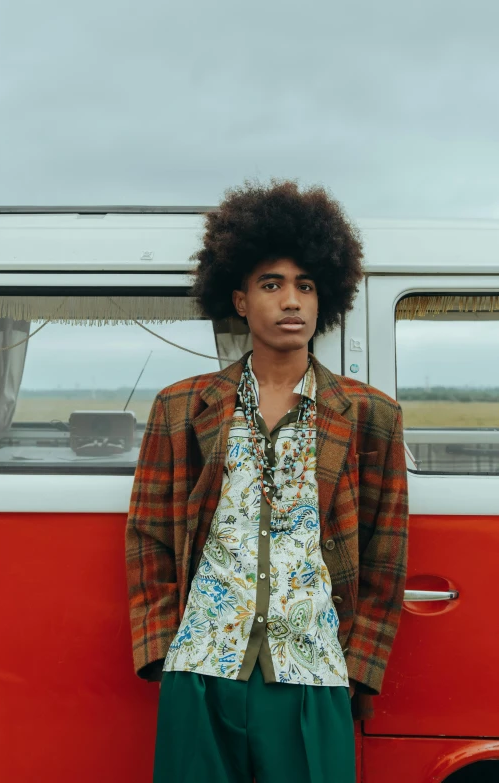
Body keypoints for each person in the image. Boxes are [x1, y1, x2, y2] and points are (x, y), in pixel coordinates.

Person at [125, 178, 409, 783]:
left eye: (305, 285)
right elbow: (148, 534)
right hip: (202, 666)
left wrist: (358, 666)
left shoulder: (370, 414)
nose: (291, 301)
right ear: (239, 299)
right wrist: (161, 648)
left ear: (323, 297)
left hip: (314, 671)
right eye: (271, 284)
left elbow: (385, 556)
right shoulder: (181, 406)